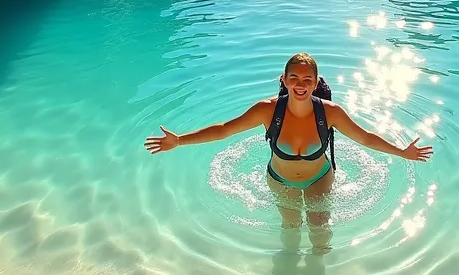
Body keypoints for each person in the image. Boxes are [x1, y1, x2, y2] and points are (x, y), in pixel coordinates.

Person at [144, 52, 433, 251]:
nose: (300, 85)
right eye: (294, 78)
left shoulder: (330, 112)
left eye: (307, 80)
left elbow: (365, 138)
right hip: (281, 180)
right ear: (283, 79)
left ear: (316, 84)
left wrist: (401, 152)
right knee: (291, 230)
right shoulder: (267, 110)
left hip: (319, 178)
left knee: (320, 233)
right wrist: (179, 141)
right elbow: (224, 129)